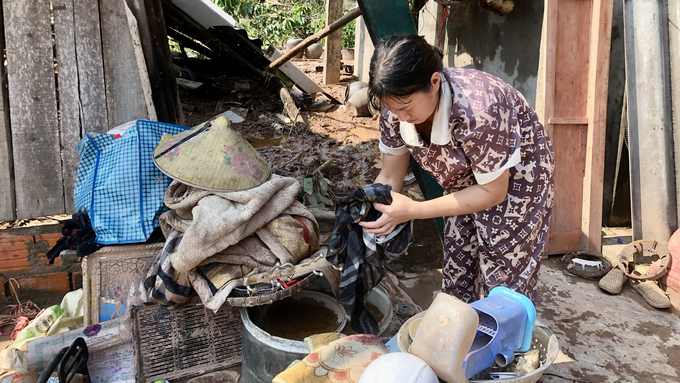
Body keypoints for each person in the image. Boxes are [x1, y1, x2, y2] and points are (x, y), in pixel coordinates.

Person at [359, 34, 555, 302]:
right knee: (459, 261)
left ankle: (505, 337)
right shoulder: (395, 108)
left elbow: (493, 192)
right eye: (392, 109)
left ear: (435, 82)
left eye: (406, 107)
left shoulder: (481, 110)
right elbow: (391, 174)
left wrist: (414, 210)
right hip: (462, 179)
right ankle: (459, 331)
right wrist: (370, 211)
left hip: (517, 179)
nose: (401, 117)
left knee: (503, 272)